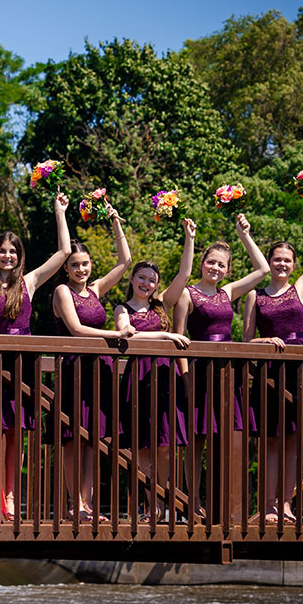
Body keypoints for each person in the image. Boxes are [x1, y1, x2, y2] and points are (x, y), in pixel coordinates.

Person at [0, 192, 71, 519]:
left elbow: (64, 252)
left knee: (17, 434)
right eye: (2, 250)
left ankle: (11, 497)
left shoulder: (29, 281)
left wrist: (59, 212)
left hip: (22, 366)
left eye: (13, 251)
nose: (7, 255)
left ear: (20, 256)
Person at [172, 214, 269, 517]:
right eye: (211, 262)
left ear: (228, 271)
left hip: (229, 376)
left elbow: (263, 269)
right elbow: (178, 341)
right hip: (199, 373)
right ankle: (192, 500)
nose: (215, 268)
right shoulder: (188, 295)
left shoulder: (228, 293)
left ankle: (225, 505)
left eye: (221, 265)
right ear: (202, 263)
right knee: (196, 441)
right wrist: (186, 379)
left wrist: (244, 235)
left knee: (229, 438)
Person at [244, 192, 303, 523]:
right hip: (268, 373)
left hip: (299, 372)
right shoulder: (255, 295)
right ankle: (266, 506)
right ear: (269, 261)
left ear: (293, 265)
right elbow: (247, 340)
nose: (281, 264)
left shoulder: (302, 289)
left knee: (293, 442)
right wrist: (266, 340)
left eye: (287, 260)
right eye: (276, 259)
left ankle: (287, 505)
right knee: (270, 442)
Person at [52, 206, 134, 522]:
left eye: (85, 264)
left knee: (93, 440)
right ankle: (74, 504)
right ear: (67, 268)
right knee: (74, 439)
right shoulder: (62, 291)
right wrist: (117, 333)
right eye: (75, 265)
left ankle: (87, 504)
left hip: (101, 373)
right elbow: (76, 329)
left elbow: (125, 262)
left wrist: (115, 221)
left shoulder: (96, 290)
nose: (81, 269)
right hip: (74, 371)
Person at [114, 219, 196, 520]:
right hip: (138, 378)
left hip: (166, 378)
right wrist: (167, 335)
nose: (146, 283)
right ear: (133, 279)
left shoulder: (162, 304)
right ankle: (151, 505)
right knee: (143, 447)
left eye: (152, 280)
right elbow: (127, 333)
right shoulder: (123, 309)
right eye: (141, 277)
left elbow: (184, 274)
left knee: (166, 445)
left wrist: (189, 238)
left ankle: (168, 503)